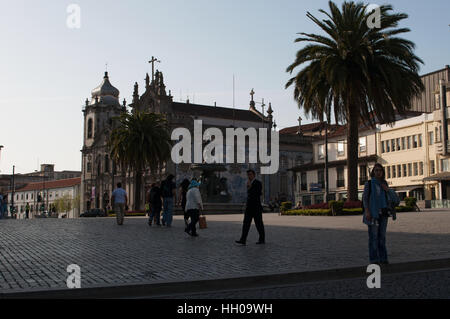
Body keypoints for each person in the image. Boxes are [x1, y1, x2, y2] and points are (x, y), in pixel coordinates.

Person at [363, 163, 394, 265]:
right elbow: (365, 199)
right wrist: (367, 210)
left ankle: (383, 258)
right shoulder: (369, 184)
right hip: (373, 214)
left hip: (384, 214)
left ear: (383, 172)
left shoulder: (385, 183)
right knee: (373, 237)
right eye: (376, 170)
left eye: (380, 170)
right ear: (373, 172)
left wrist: (387, 190)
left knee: (382, 237)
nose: (378, 172)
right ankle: (374, 260)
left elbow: (391, 198)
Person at [236, 169, 265, 245]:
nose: (249, 176)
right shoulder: (248, 183)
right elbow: (249, 194)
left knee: (258, 224)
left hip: (256, 207)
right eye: (248, 175)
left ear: (254, 175)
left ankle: (262, 239)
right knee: (246, 224)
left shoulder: (258, 183)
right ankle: (243, 239)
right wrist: (249, 187)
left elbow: (258, 193)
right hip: (249, 207)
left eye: (250, 174)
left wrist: (250, 187)